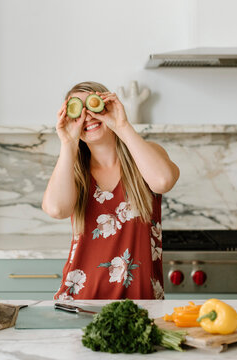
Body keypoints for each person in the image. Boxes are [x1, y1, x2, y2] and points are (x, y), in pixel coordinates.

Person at [42, 81, 180, 300]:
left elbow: (163, 181)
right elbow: (56, 209)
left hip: (141, 300)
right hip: (80, 299)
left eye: (93, 105)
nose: (87, 115)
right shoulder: (74, 171)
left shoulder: (145, 155)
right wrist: (68, 143)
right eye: (78, 111)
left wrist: (122, 125)